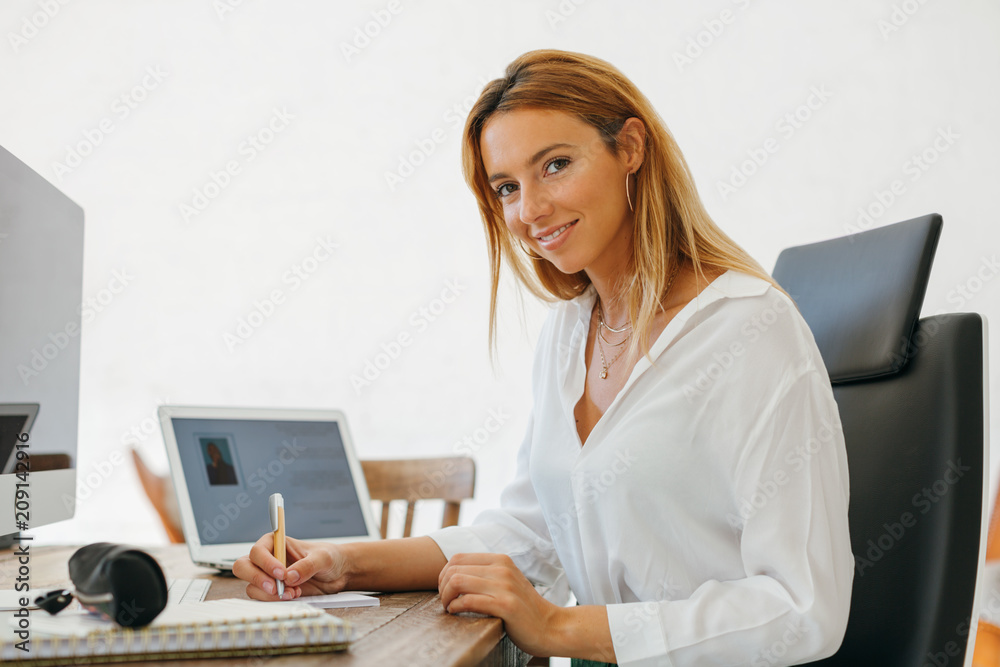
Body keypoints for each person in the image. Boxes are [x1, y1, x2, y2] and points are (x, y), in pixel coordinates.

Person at [234, 49, 853, 666]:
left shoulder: (749, 329)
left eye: (555, 165)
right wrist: (342, 563)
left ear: (630, 147)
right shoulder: (570, 331)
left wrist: (558, 627)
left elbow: (801, 609)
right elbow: (534, 534)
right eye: (507, 188)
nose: (529, 211)